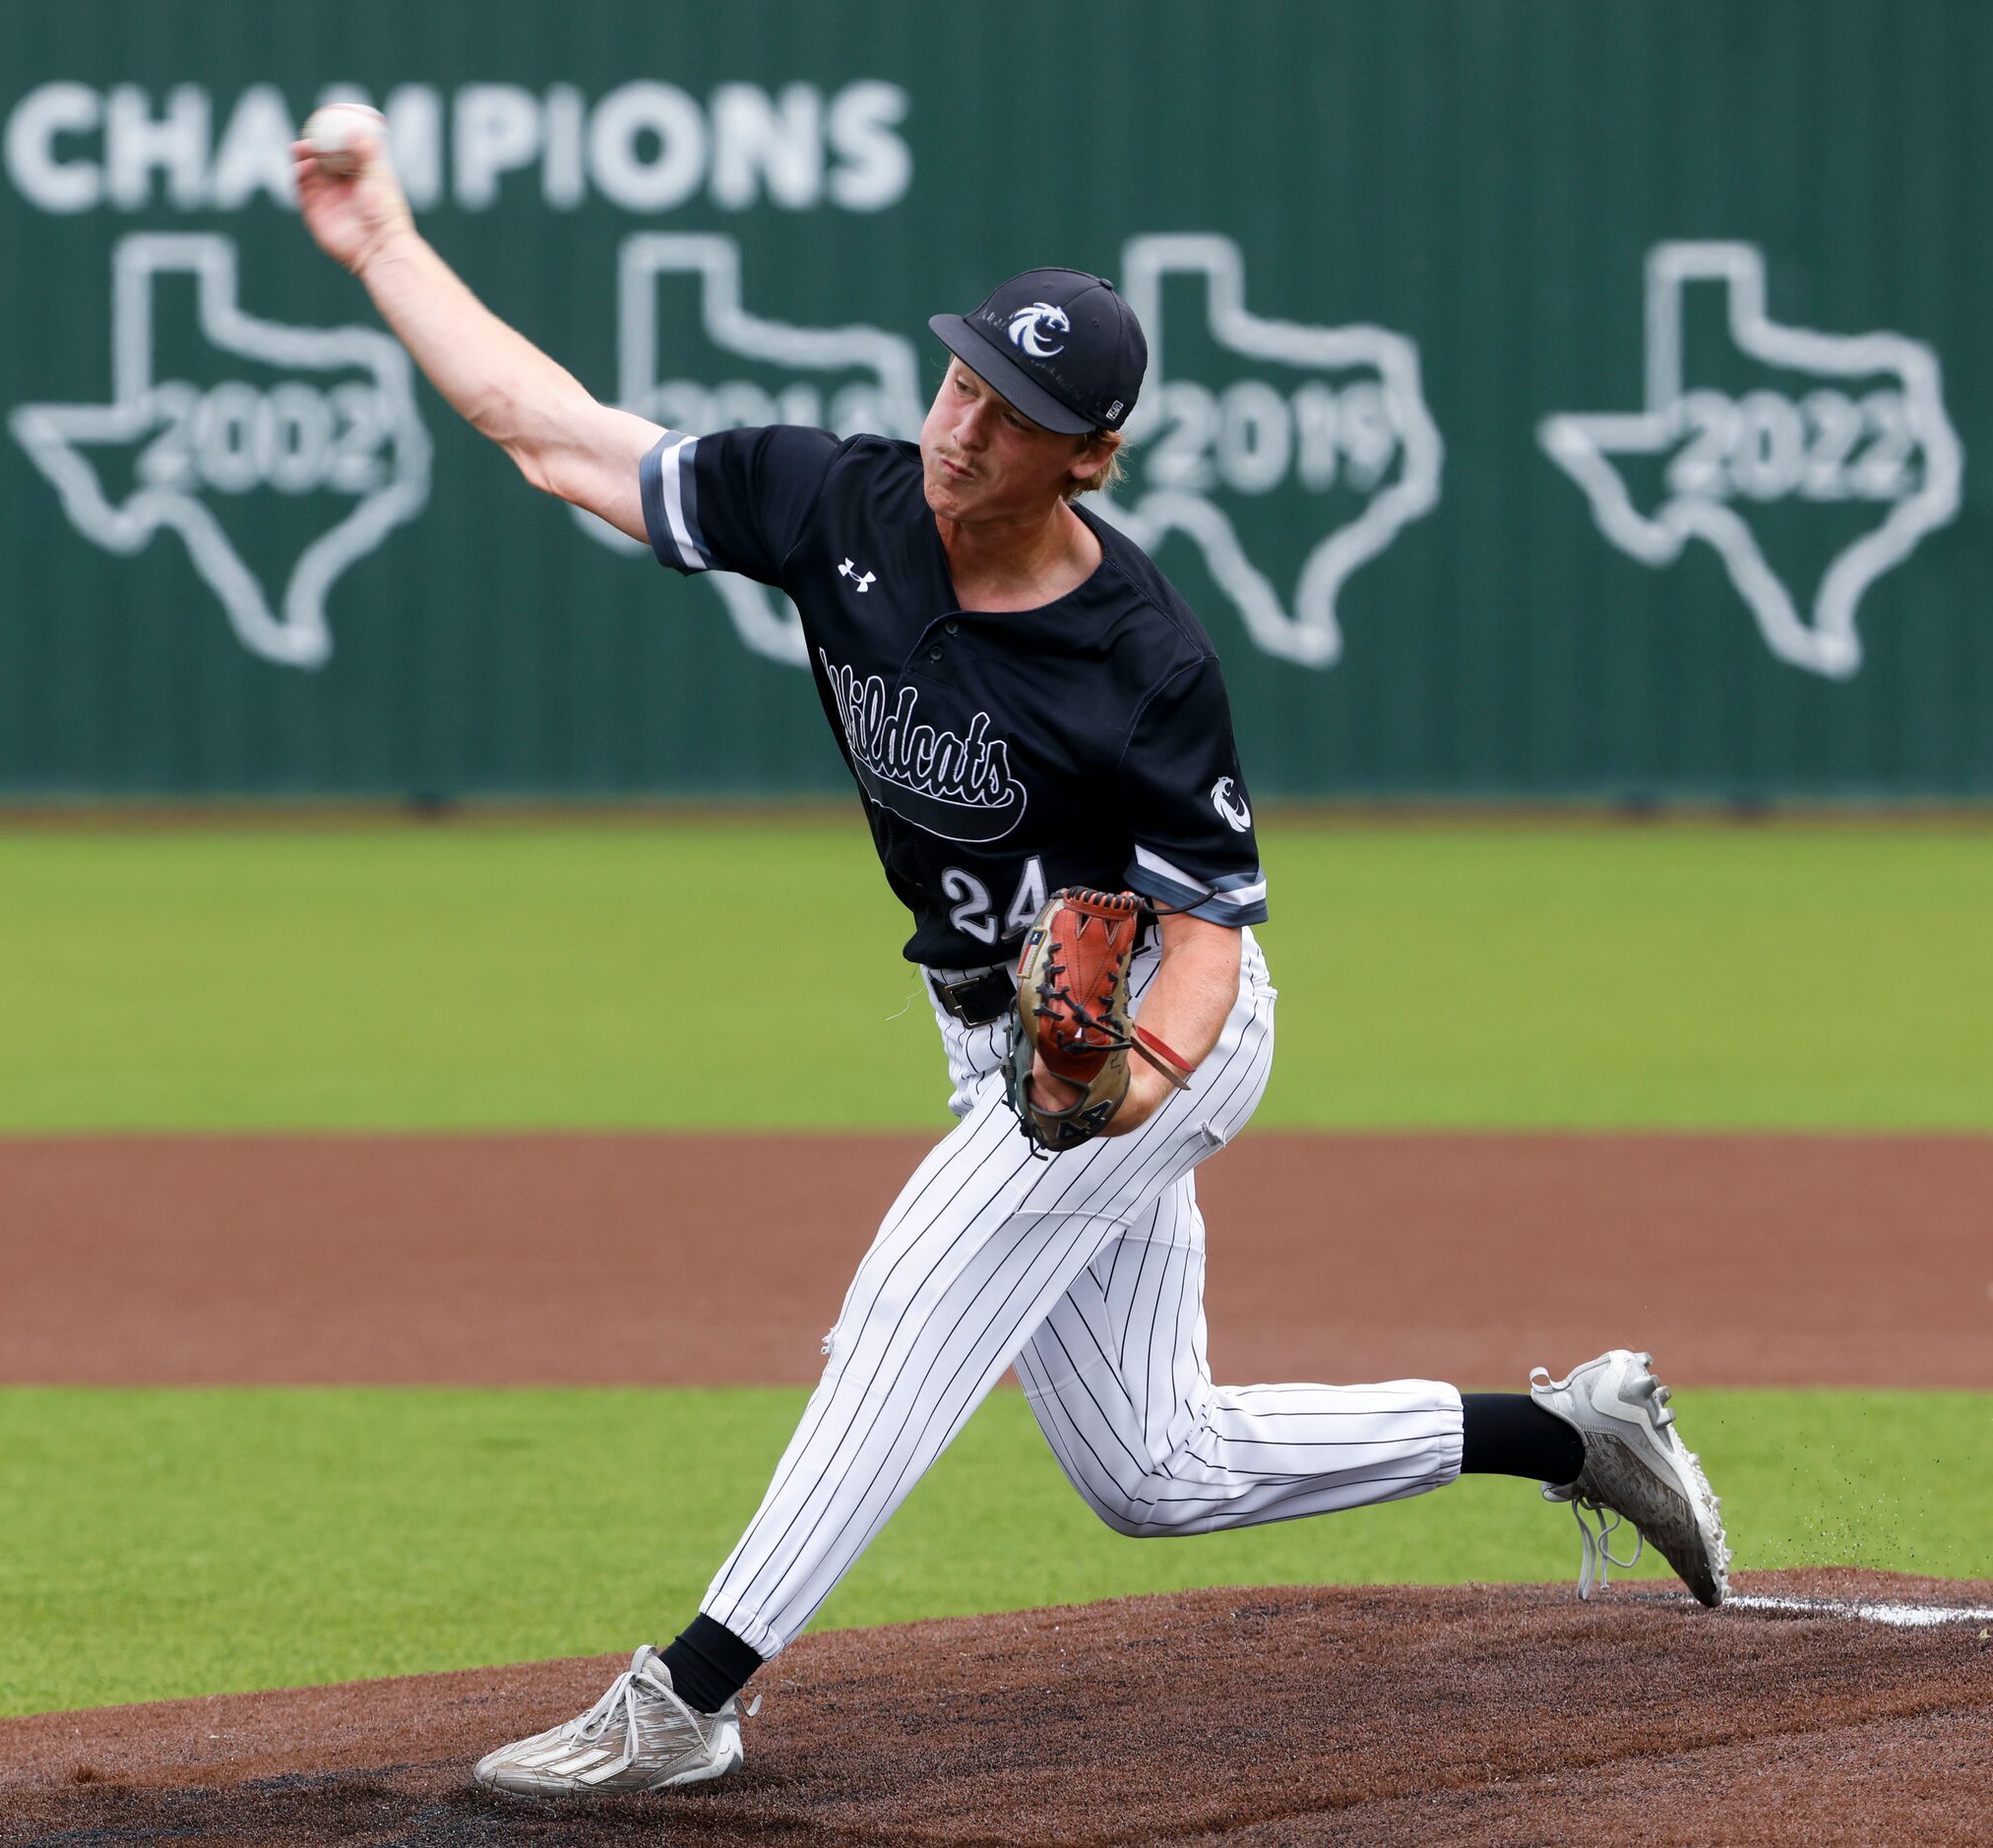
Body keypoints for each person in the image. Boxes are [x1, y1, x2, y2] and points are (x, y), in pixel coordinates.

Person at [289, 115, 1731, 1800]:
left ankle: (689, 1692)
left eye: (1015, 414)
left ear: (1089, 456)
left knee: (915, 1296)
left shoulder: (1141, 654)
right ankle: (1575, 1431)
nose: (964, 424)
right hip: (992, 1034)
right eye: (964, 381)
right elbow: (550, 435)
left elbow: (1207, 933)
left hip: (1150, 1047)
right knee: (1155, 1467)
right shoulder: (837, 504)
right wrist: (382, 240)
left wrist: (1125, 1088)